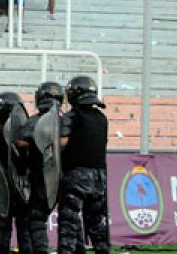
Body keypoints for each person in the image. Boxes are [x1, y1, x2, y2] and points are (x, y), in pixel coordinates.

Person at [58, 76, 110, 254]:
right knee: (98, 225)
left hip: (76, 176)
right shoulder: (102, 118)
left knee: (68, 225)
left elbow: (61, 143)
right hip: (100, 177)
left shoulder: (71, 117)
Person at [18, 82, 65, 254]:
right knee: (69, 222)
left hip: (42, 177)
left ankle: (41, 250)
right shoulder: (66, 120)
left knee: (37, 218)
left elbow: (21, 141)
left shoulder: (35, 121)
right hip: (67, 176)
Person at [0, 93, 32, 254]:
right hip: (22, 184)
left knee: (4, 225)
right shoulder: (25, 133)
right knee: (24, 227)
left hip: (3, 184)